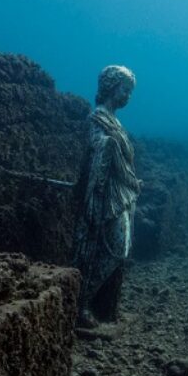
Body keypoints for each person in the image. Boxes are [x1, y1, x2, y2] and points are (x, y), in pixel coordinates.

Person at [73, 65, 141, 326]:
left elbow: (122, 160)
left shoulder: (115, 121)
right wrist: (109, 144)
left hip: (120, 191)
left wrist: (131, 181)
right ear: (112, 87)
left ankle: (98, 306)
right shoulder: (96, 119)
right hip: (105, 195)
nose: (128, 96)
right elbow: (96, 150)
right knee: (113, 249)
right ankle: (80, 303)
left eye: (130, 92)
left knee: (118, 248)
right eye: (125, 90)